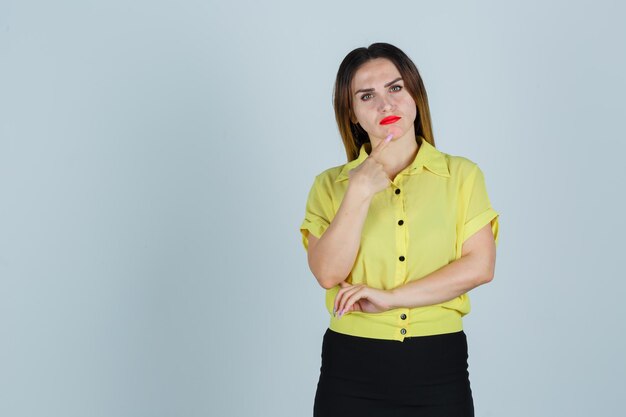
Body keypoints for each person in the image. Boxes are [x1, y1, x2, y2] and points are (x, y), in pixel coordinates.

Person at [299, 42, 499, 417]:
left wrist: (390, 297)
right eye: (367, 95)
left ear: (415, 94)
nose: (385, 104)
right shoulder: (329, 186)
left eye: (395, 88)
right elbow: (328, 273)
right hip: (350, 371)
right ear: (353, 113)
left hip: (439, 367)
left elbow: (479, 267)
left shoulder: (462, 176)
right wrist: (358, 190)